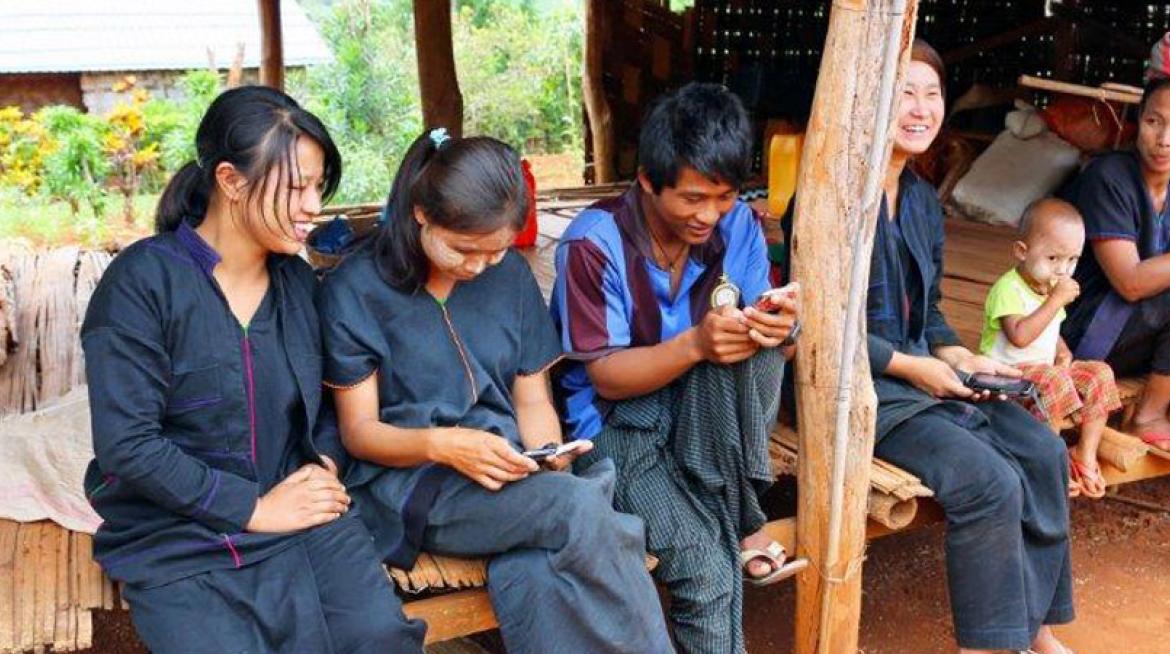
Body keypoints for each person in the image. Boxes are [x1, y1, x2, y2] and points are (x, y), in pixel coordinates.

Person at [81, 86, 424, 653]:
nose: (313, 206)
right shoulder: (142, 284)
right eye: (295, 187)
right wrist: (253, 508)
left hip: (299, 511)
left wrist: (324, 464)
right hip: (175, 534)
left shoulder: (296, 282)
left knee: (380, 637)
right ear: (231, 181)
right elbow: (128, 445)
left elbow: (326, 402)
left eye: (318, 186)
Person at [320, 129, 672, 654]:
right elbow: (359, 432)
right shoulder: (356, 288)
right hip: (414, 485)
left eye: (496, 251)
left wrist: (549, 456)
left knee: (539, 560)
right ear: (421, 212)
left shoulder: (508, 276)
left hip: (509, 474)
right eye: (464, 249)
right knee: (581, 508)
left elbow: (533, 400)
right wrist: (444, 445)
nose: (478, 266)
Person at [786, 41, 1074, 654]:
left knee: (1044, 452)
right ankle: (988, 646)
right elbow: (818, 328)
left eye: (932, 93)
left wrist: (960, 358)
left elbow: (932, 313)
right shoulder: (827, 199)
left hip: (925, 380)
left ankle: (1036, 629)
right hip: (859, 392)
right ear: (868, 102)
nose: (920, 109)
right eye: (903, 94)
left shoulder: (920, 199)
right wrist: (915, 368)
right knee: (989, 481)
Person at [550, 82, 803, 654]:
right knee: (709, 572)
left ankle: (731, 507)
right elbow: (605, 377)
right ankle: (737, 515)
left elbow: (771, 350)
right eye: (692, 198)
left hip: (700, 418)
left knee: (762, 341)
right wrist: (694, 345)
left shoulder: (738, 226)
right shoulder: (592, 245)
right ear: (647, 180)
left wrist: (783, 329)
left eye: (724, 196)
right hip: (614, 426)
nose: (708, 214)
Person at [979, 198, 1121, 498]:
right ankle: (1048, 462)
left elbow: (1051, 329)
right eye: (1053, 258)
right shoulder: (1008, 289)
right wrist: (1055, 300)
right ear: (1022, 251)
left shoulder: (1047, 288)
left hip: (1041, 371)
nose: (1063, 269)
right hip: (1004, 373)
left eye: (1072, 260)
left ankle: (1085, 453)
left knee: (1100, 373)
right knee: (1055, 380)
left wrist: (1063, 351)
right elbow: (1019, 336)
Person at [1062, 76, 1170, 454]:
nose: (1164, 139)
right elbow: (1130, 282)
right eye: (1154, 121)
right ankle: (1148, 416)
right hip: (1088, 333)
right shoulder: (1109, 176)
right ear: (1138, 121)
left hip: (1143, 334)